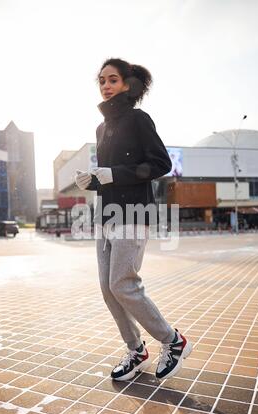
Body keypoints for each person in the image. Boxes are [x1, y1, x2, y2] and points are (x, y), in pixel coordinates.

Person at [75, 58, 192, 381]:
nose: (105, 85)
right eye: (101, 80)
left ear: (127, 84)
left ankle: (173, 340)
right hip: (106, 216)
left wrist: (112, 174)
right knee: (108, 288)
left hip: (133, 213)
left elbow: (160, 163)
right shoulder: (102, 127)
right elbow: (111, 176)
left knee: (123, 284)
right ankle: (135, 349)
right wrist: (95, 181)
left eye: (112, 79)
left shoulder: (139, 120)